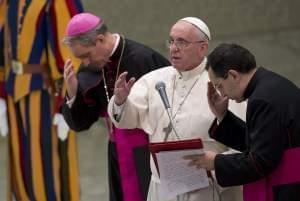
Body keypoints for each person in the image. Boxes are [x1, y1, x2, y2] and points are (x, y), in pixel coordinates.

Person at [107, 17, 246, 201]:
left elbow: (241, 142)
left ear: (202, 47)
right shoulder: (152, 80)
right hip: (163, 187)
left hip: (209, 187)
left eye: (182, 42)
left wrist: (219, 169)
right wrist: (120, 102)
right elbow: (127, 120)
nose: (173, 48)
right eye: (171, 41)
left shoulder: (222, 82)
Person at [60, 12, 171, 201]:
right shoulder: (92, 66)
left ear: (100, 39)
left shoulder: (142, 58)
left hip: (148, 151)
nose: (84, 63)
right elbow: (81, 123)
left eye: (86, 55)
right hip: (117, 150)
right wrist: (72, 93)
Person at [185, 43, 300, 201]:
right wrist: (222, 115)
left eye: (220, 86)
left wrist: (216, 162)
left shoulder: (262, 99)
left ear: (233, 75)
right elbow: (261, 142)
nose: (221, 93)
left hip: (288, 186)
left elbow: (261, 161)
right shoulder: (269, 85)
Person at [1, 0, 84, 200]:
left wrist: (67, 101)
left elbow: (73, 53)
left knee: (47, 165)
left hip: (46, 94)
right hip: (14, 90)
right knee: (21, 166)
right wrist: (1, 93)